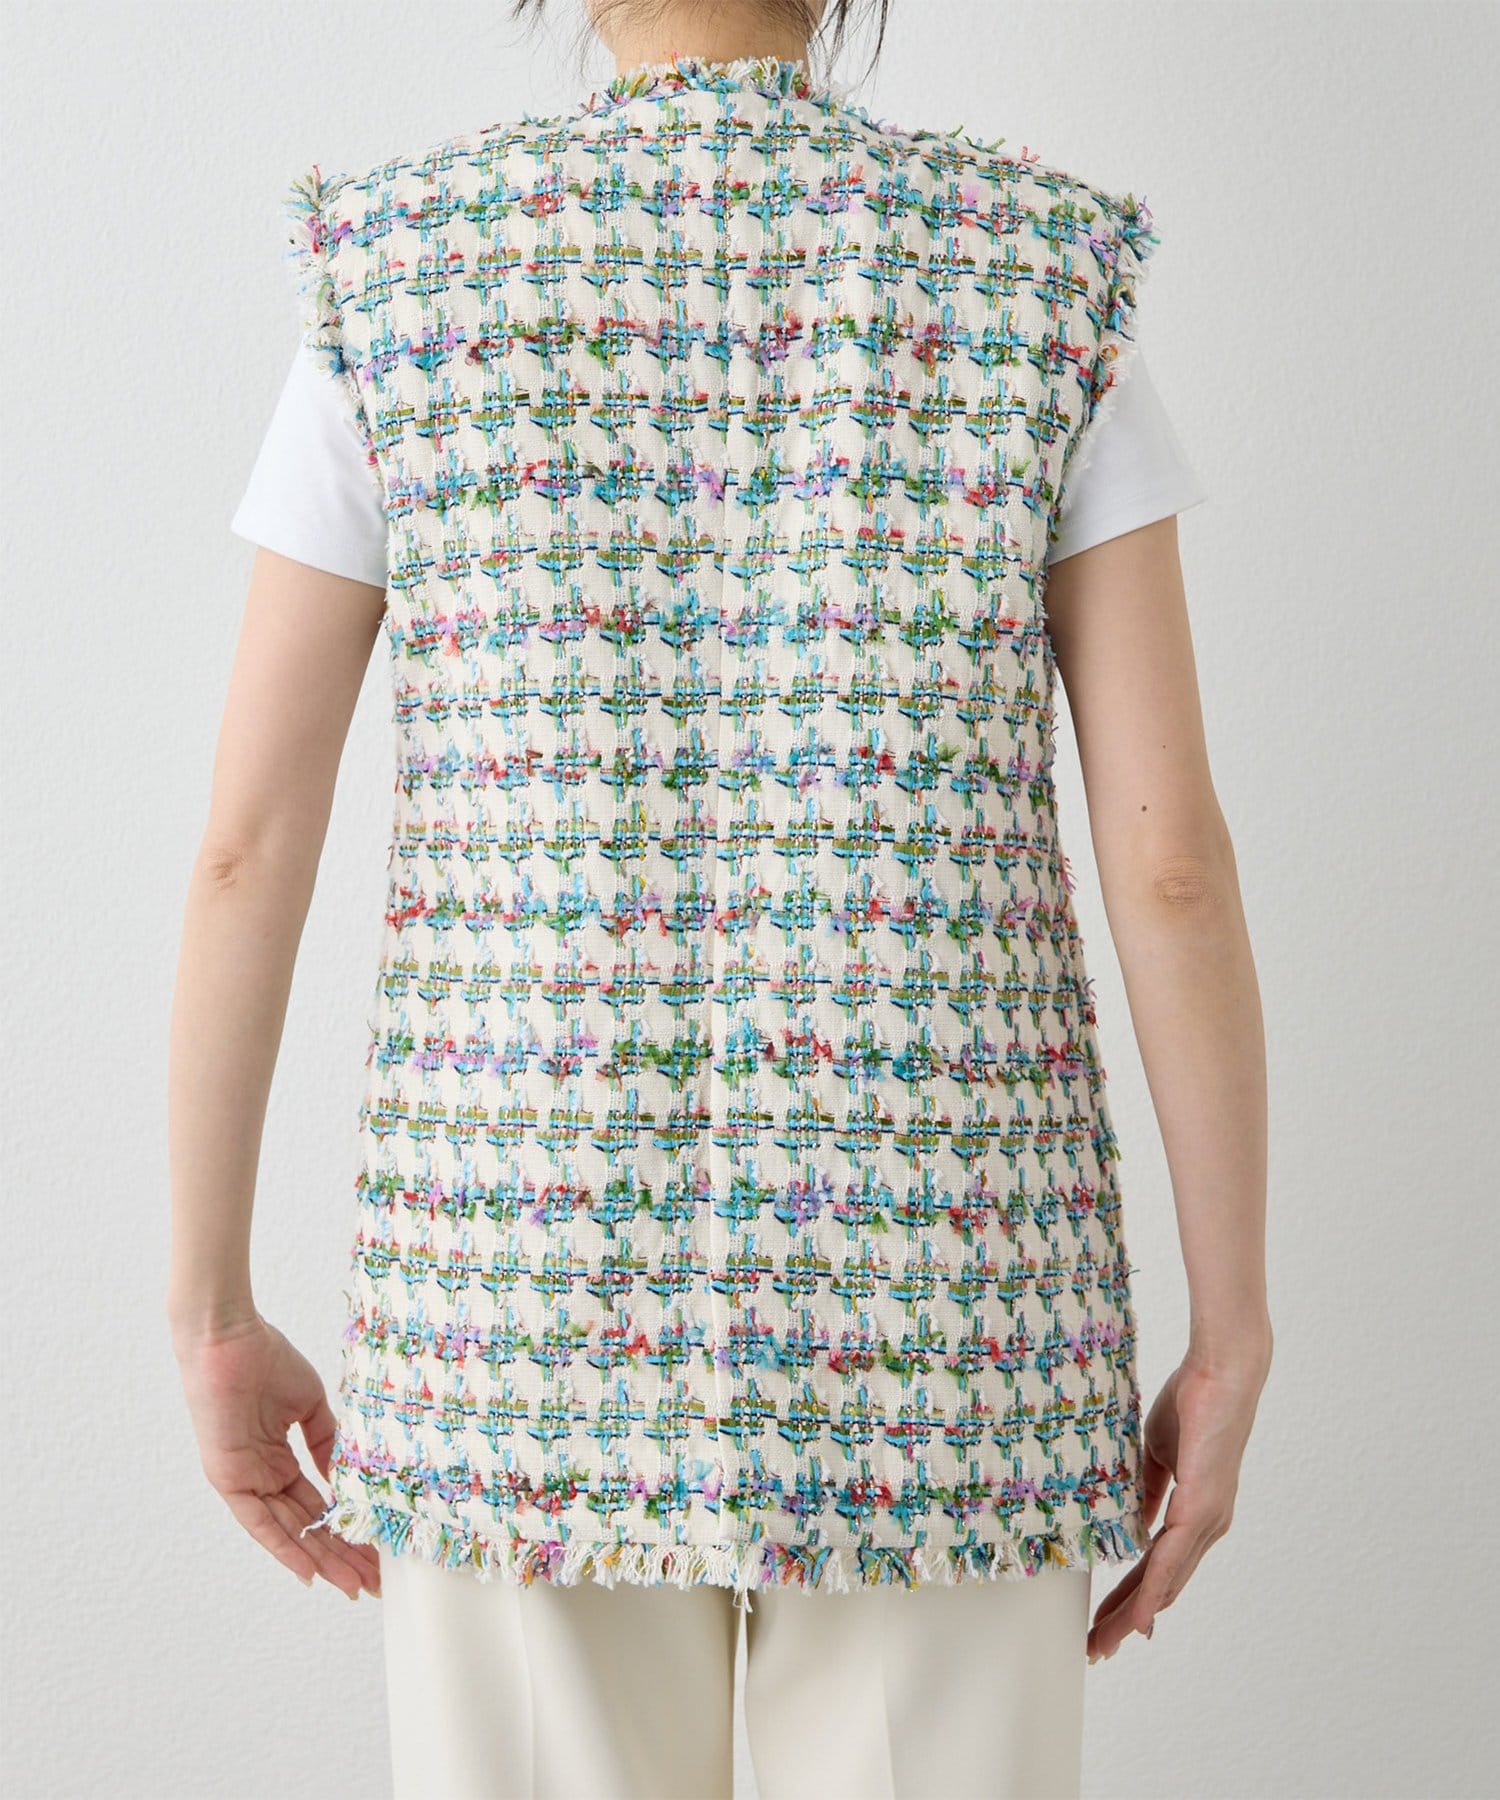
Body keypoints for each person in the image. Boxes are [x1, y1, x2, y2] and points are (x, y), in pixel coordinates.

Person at [167, 0, 1272, 1794]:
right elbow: (1170, 865)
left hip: (518, 1300)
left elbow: (248, 845)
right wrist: (1230, 1335)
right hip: (942, 1313)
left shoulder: (404, 274)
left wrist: (213, 1310)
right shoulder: (1036, 275)